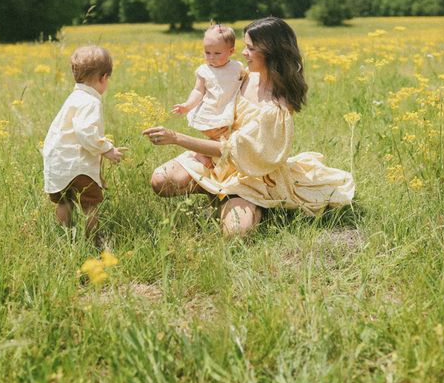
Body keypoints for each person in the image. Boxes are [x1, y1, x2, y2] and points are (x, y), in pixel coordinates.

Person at [143, 17, 355, 237]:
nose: (243, 52)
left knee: (235, 232)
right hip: (218, 160)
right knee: (161, 180)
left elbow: (232, 150)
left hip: (251, 173)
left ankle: (255, 203)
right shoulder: (245, 75)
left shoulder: (276, 108)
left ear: (271, 53)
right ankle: (218, 194)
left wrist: (176, 137)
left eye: (250, 48)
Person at [43, 45, 123, 242]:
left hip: (57, 162)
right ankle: (94, 238)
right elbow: (85, 131)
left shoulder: (74, 98)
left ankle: (65, 238)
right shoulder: (90, 101)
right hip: (78, 164)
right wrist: (107, 149)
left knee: (63, 202)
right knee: (90, 204)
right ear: (103, 78)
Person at [172, 24, 244, 166]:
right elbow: (198, 91)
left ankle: (208, 157)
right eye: (207, 52)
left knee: (227, 141)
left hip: (229, 111)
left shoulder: (237, 67)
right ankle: (204, 155)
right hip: (211, 113)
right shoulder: (204, 71)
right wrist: (187, 105)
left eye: (217, 53)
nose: (211, 57)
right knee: (224, 141)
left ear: (231, 51)